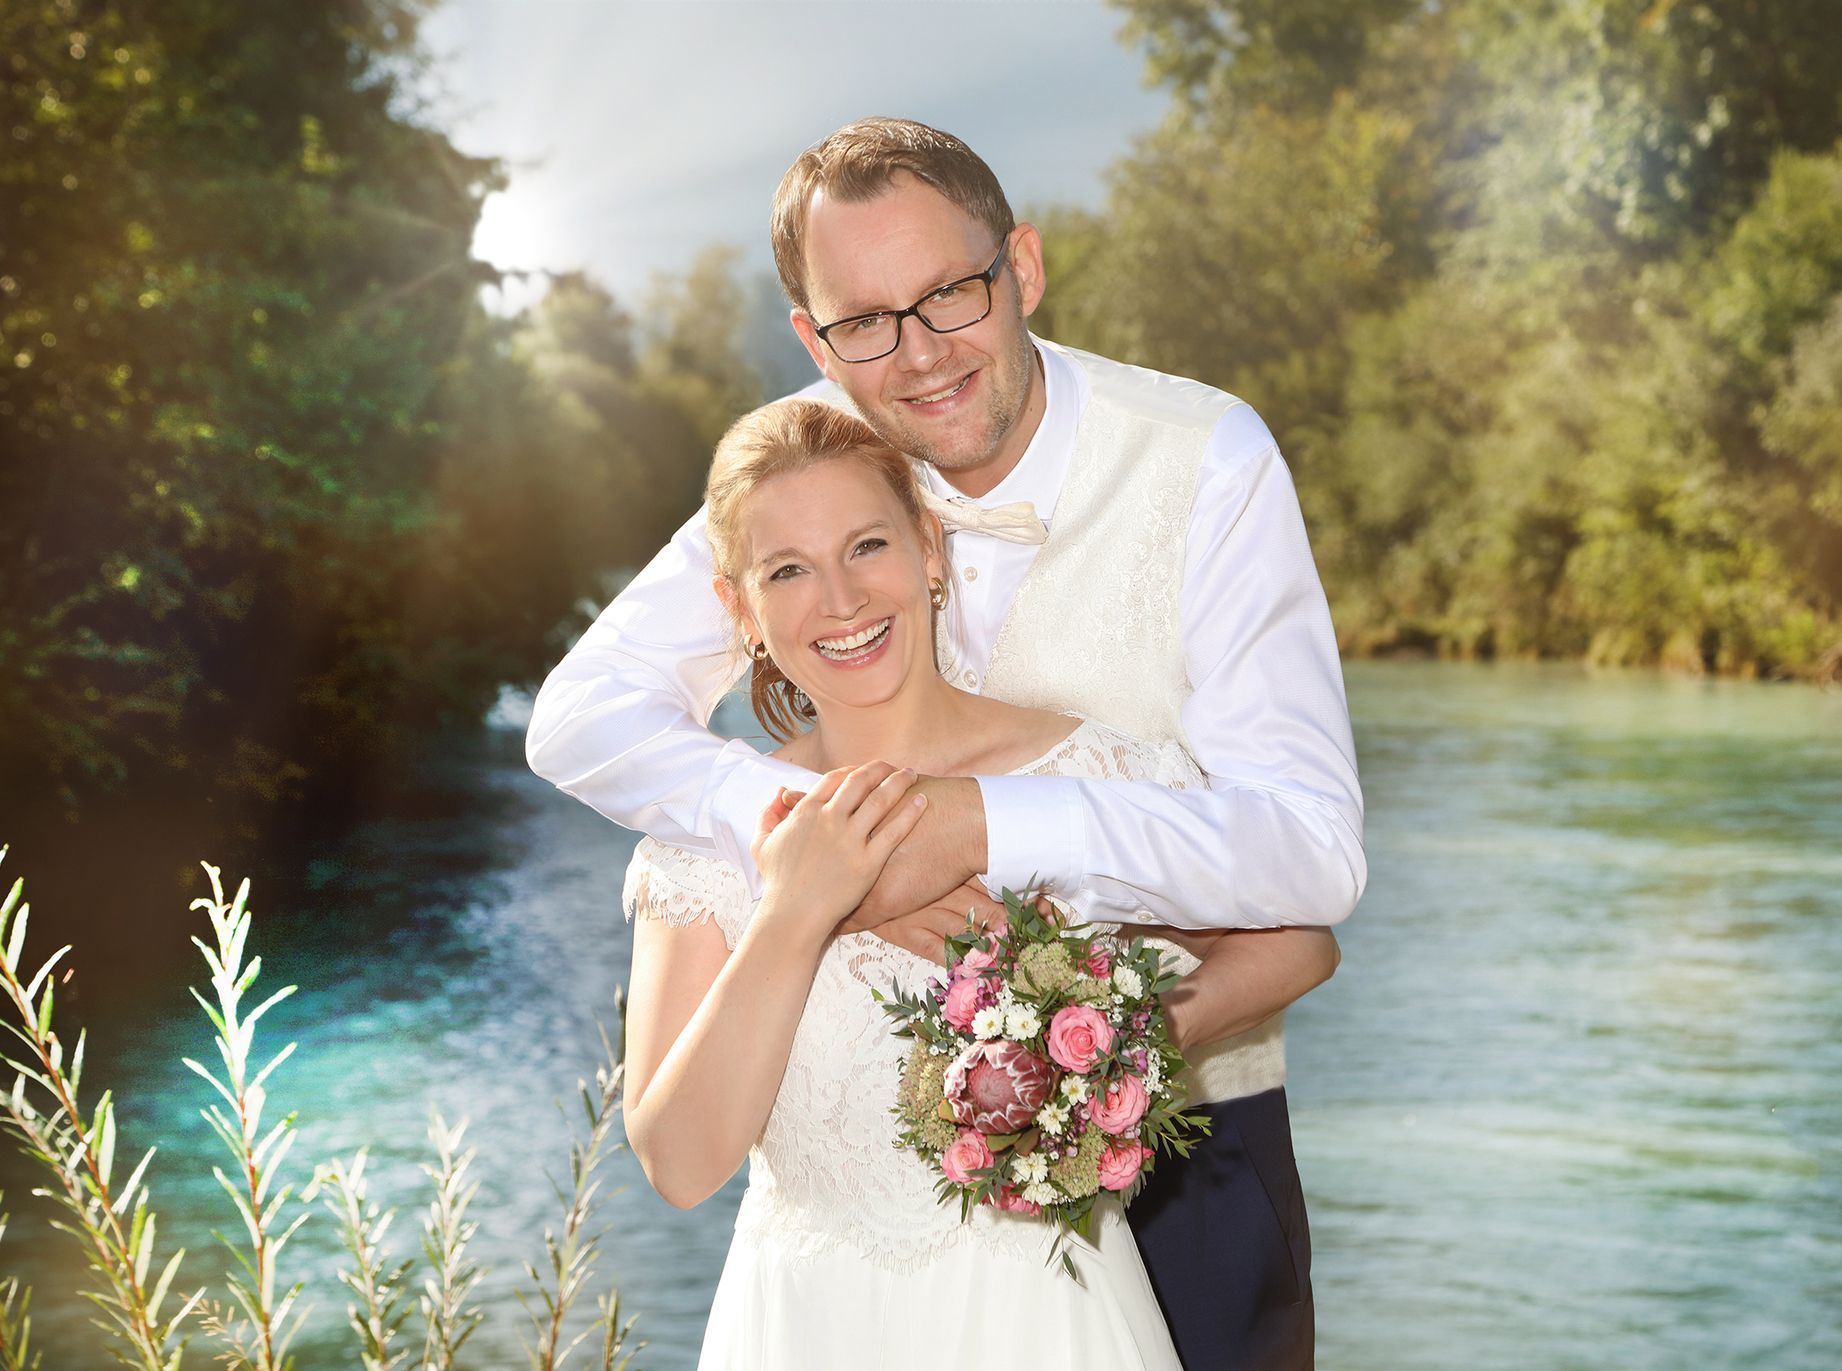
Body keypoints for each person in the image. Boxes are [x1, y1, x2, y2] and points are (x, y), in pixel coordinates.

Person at [528, 118, 1366, 1369]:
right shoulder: (808, 470)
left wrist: (977, 830)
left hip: (1190, 1146)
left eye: (950, 295)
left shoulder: (1209, 460)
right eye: (864, 322)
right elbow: (583, 714)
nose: (917, 354)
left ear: (1021, 267)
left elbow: (1310, 859)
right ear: (814, 338)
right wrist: (811, 848)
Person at [620, 399, 1340, 1370]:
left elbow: (1298, 939)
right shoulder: (707, 835)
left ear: (929, 549)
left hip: (1052, 1323)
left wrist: (1117, 1043)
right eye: (788, 570)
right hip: (803, 1327)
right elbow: (679, 1164)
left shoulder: (1091, 770)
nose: (840, 598)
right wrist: (794, 910)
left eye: (867, 545)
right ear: (741, 610)